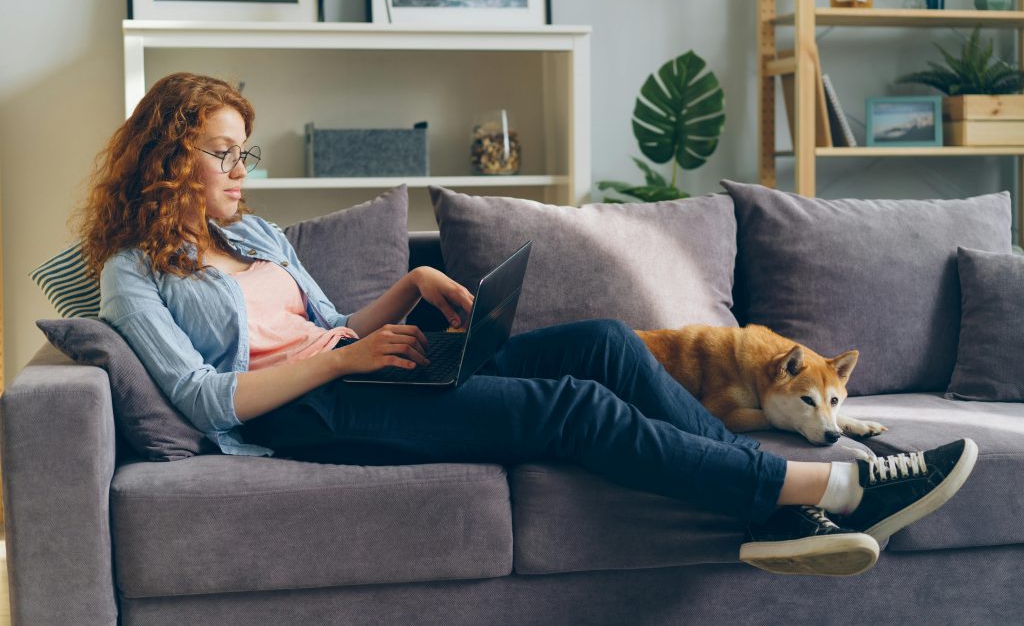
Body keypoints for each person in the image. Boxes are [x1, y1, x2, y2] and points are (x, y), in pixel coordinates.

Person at [79, 72, 977, 577]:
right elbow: (205, 401)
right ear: (168, 156)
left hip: (366, 365)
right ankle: (833, 492)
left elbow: (325, 321)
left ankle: (765, 506)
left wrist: (409, 288)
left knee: (606, 342)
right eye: (223, 152)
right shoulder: (132, 272)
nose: (242, 167)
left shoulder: (253, 232)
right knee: (572, 407)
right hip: (307, 412)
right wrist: (343, 367)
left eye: (246, 150)